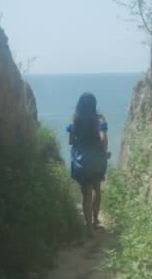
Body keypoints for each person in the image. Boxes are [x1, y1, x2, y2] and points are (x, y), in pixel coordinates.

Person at [66, 92, 109, 236]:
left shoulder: (75, 119)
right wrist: (104, 153)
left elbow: (71, 141)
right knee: (97, 189)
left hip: (82, 161)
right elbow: (103, 139)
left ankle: (89, 229)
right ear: (94, 104)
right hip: (96, 160)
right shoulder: (99, 119)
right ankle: (96, 219)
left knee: (86, 195)